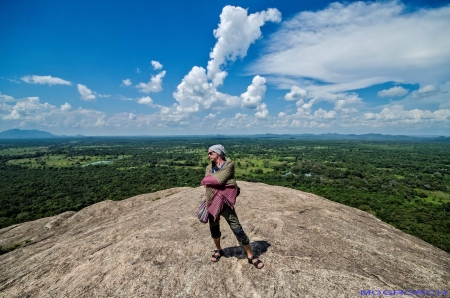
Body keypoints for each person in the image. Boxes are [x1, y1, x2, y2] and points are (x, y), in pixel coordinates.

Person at [201, 144, 264, 269]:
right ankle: (218, 249)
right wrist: (220, 183)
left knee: (237, 229)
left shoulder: (229, 165)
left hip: (226, 204)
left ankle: (250, 255)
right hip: (213, 202)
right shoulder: (209, 167)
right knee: (214, 228)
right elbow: (209, 181)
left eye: (211, 153)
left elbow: (218, 180)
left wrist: (217, 182)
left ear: (218, 153)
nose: (208, 156)